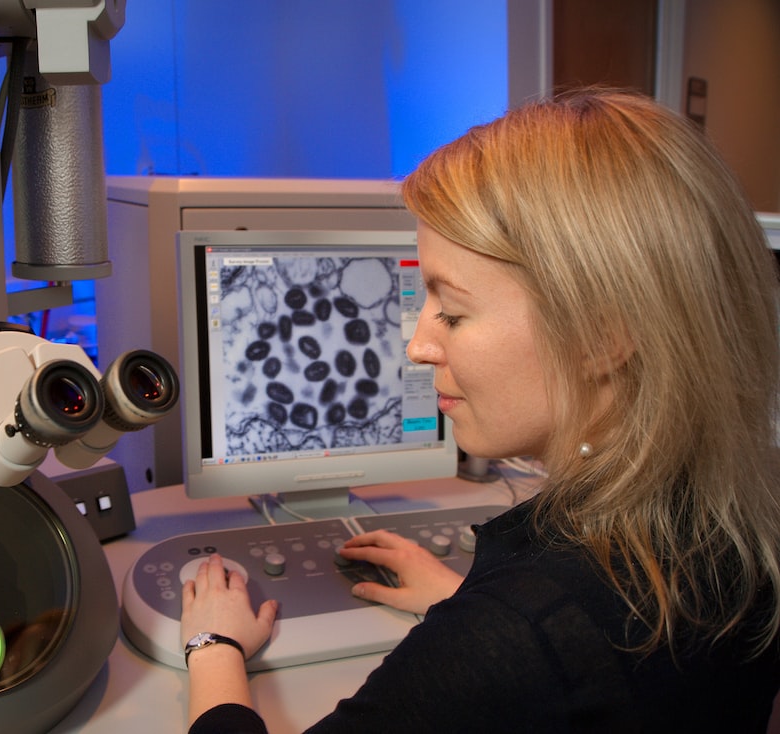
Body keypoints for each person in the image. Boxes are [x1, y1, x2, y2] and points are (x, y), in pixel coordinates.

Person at [179, 89, 780, 732]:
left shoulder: (517, 634)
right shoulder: (737, 527)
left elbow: (535, 656)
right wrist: (465, 598)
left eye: (453, 312)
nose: (417, 345)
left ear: (603, 336)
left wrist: (213, 648)